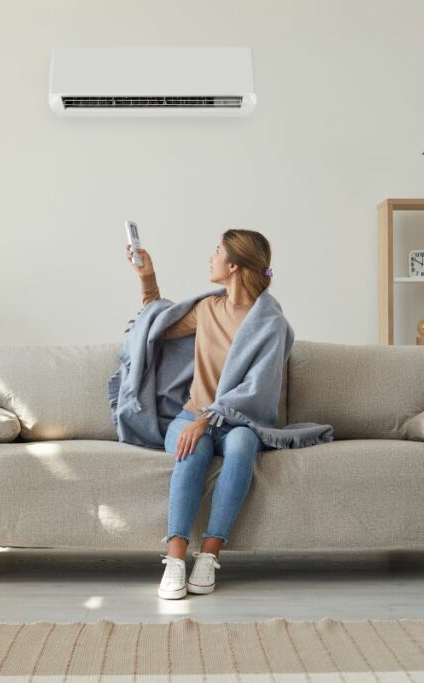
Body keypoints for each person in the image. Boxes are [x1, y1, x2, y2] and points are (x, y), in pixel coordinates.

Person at [124, 229, 275, 600]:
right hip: (190, 416)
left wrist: (206, 420)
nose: (211, 257)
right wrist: (147, 278)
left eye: (217, 251)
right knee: (195, 448)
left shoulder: (270, 322)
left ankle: (209, 554)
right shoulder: (208, 309)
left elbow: (257, 389)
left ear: (234, 266)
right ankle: (175, 558)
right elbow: (155, 327)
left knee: (241, 444)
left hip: (240, 420)